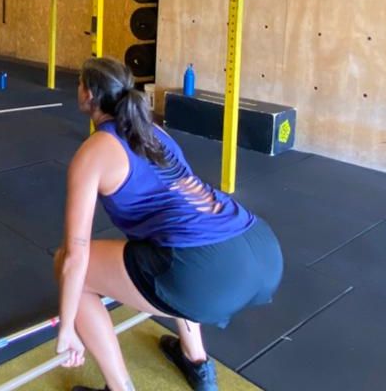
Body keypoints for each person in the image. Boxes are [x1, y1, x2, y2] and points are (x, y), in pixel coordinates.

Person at [55, 58, 283, 391]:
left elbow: (76, 255)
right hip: (261, 249)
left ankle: (119, 388)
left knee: (67, 263)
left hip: (208, 273)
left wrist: (66, 329)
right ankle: (196, 362)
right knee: (170, 250)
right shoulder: (152, 130)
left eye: (79, 82)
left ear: (88, 93)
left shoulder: (93, 153)